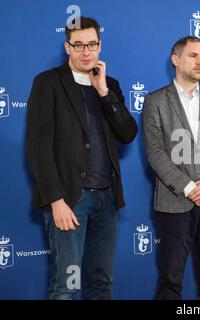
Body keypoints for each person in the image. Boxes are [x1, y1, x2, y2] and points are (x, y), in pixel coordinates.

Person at [26, 16, 137, 299]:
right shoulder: (48, 83)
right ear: (67, 47)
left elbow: (127, 133)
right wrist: (56, 200)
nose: (86, 51)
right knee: (66, 285)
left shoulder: (109, 84)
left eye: (92, 44)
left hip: (108, 198)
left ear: (100, 46)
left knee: (101, 283)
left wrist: (103, 92)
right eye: (79, 45)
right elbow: (38, 147)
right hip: (70, 200)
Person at [142, 36, 200, 300]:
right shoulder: (154, 101)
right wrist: (191, 187)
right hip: (174, 203)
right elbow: (156, 153)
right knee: (170, 281)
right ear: (176, 60)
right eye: (193, 55)